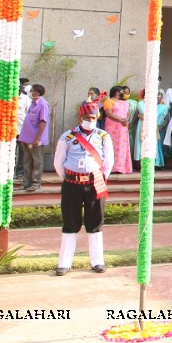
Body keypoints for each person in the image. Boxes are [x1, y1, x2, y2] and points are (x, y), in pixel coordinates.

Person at [53, 95, 114, 276]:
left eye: (93, 118)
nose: (90, 121)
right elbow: (59, 162)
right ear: (81, 118)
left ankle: (97, 261)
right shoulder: (68, 136)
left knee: (95, 223)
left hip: (95, 183)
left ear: (97, 118)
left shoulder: (103, 137)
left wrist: (99, 177)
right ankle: (64, 263)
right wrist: (71, 177)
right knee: (70, 222)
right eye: (87, 118)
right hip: (72, 183)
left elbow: (109, 162)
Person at [18, 83, 50, 193]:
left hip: (35, 139)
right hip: (26, 138)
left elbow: (43, 122)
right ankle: (26, 183)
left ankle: (36, 183)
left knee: (37, 161)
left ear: (36, 92)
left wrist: (37, 139)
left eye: (32, 90)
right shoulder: (33, 103)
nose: (31, 92)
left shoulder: (43, 104)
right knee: (27, 161)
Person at [103, 86, 133, 175]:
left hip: (123, 127)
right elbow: (109, 114)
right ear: (116, 92)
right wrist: (121, 120)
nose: (123, 93)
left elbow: (128, 113)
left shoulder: (125, 103)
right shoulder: (108, 101)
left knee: (122, 146)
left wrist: (126, 119)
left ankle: (122, 167)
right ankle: (112, 167)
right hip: (112, 127)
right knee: (112, 146)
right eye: (122, 91)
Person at [14, 77, 31, 181]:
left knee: (22, 152)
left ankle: (20, 172)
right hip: (9, 131)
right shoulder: (10, 98)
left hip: (21, 130)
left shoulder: (26, 100)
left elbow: (29, 114)